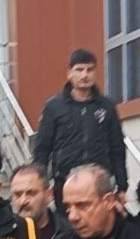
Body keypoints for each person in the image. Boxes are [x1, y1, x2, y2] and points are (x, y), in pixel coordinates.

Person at [33, 49, 128, 214]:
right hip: (65, 183)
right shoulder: (53, 107)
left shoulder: (107, 106)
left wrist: (122, 185)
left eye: (89, 70)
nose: (85, 75)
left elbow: (117, 147)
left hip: (99, 183)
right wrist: (39, 184)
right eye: (79, 70)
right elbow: (42, 149)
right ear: (69, 73)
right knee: (68, 224)